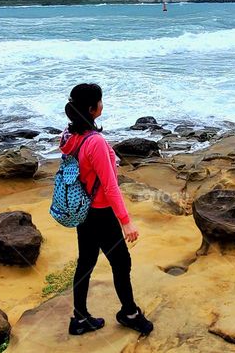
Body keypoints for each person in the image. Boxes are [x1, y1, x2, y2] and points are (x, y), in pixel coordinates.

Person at [59, 83, 153, 336]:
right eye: (100, 101)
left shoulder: (69, 137)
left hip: (82, 209)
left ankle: (79, 318)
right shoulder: (95, 142)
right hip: (100, 212)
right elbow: (110, 186)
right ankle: (130, 313)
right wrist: (126, 220)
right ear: (92, 109)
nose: (102, 104)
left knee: (86, 263)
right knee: (121, 262)